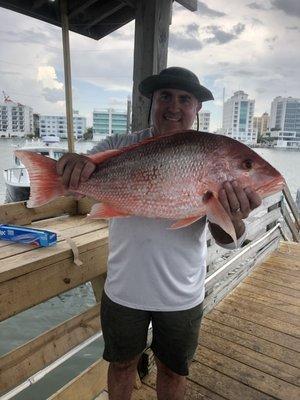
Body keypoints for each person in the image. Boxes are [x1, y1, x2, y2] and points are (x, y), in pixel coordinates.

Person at [57, 67, 262, 400]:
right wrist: (73, 164)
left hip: (181, 295)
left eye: (185, 99)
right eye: (165, 96)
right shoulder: (119, 145)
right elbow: (86, 165)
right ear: (152, 102)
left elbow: (227, 240)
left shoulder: (210, 155)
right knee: (121, 365)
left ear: (197, 109)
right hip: (124, 289)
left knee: (173, 369)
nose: (174, 106)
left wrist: (235, 216)